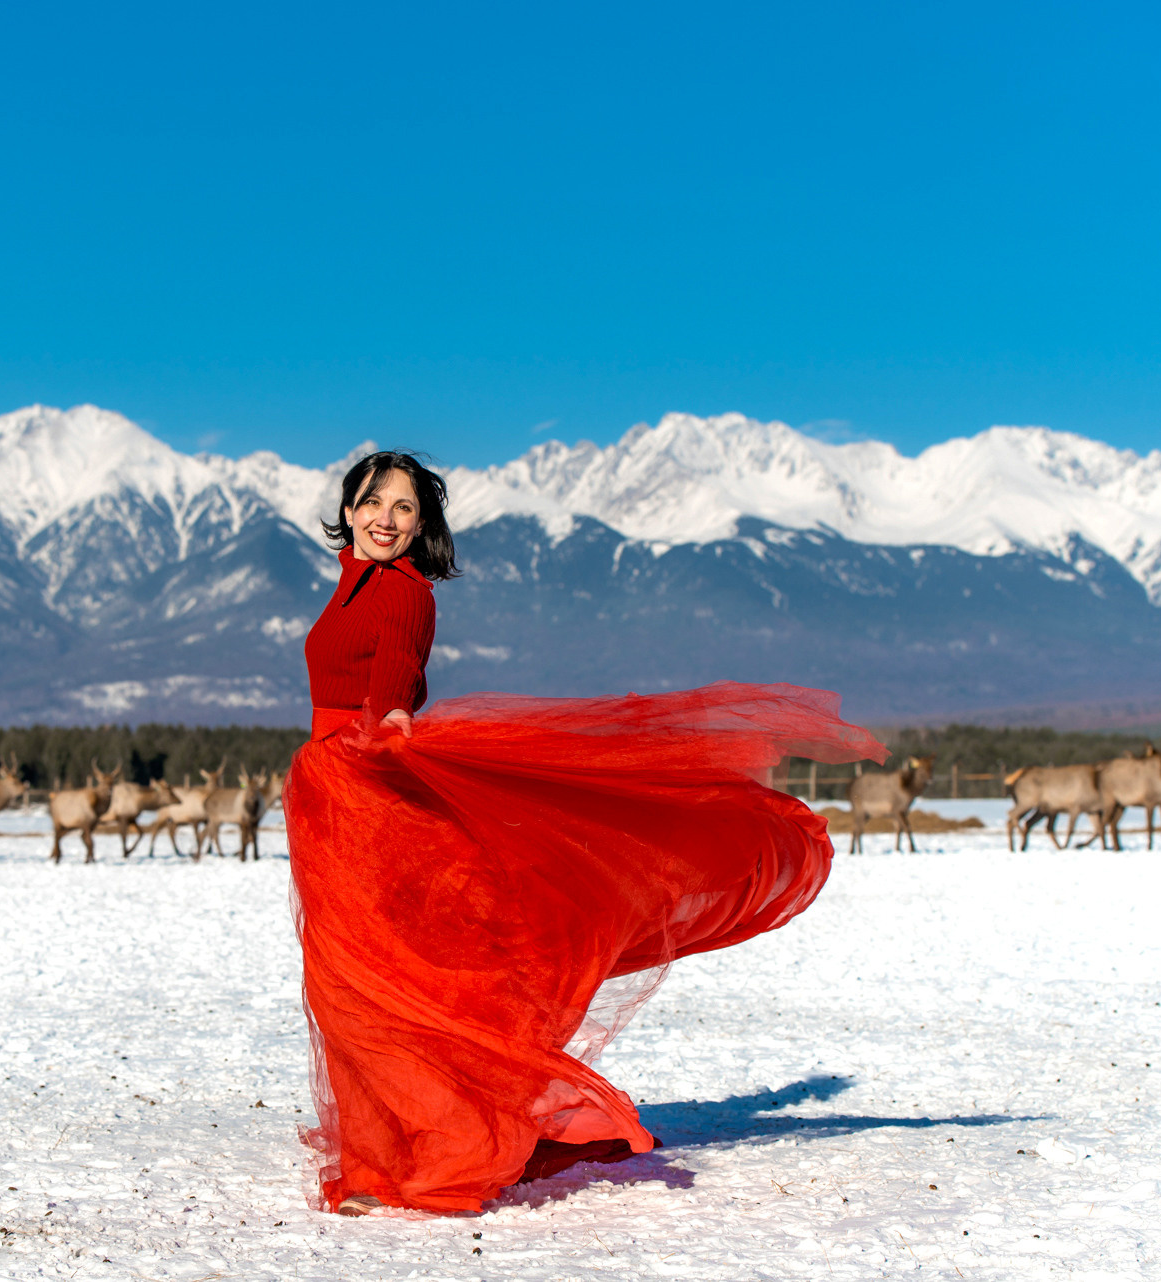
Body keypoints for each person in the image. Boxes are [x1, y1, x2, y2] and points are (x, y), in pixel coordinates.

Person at [285, 450, 883, 1216]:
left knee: (383, 982)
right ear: (350, 503)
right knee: (351, 985)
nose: (386, 519)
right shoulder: (352, 579)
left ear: (423, 524)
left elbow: (395, 682)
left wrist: (394, 726)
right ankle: (396, 1141)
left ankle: (420, 1157)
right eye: (374, 501)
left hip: (369, 792)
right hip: (333, 792)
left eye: (405, 509)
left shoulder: (404, 593)